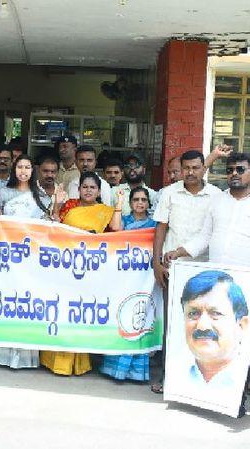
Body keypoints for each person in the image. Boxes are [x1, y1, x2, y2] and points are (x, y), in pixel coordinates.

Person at [166, 152, 250, 398]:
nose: (234, 174)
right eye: (230, 170)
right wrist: (180, 251)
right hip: (219, 278)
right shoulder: (218, 201)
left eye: (240, 169)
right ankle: (218, 381)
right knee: (220, 326)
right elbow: (205, 237)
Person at [150, 150, 221, 394]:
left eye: (195, 168)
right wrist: (156, 262)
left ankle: (196, 382)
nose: (191, 172)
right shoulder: (169, 193)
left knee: (201, 326)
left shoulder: (217, 196)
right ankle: (169, 377)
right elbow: (161, 228)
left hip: (203, 269)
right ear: (180, 170)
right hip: (173, 268)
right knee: (173, 326)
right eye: (186, 168)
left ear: (204, 168)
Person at [41, 172, 122, 376]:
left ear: (98, 191)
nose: (88, 190)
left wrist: (119, 204)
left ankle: (78, 363)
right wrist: (57, 203)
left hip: (90, 269)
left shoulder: (106, 210)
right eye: (84, 187)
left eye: (92, 187)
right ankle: (55, 361)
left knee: (80, 313)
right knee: (62, 309)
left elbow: (116, 229)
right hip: (64, 266)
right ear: (78, 190)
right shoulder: (70, 206)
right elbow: (54, 225)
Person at [0, 154, 53, 369]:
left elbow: (48, 225)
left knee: (26, 300)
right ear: (14, 170)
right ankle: (1, 354)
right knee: (7, 299)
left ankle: (25, 356)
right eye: (20, 167)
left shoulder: (41, 196)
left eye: (27, 167)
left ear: (32, 171)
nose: (23, 171)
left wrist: (58, 204)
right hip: (8, 256)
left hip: (31, 258)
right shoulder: (4, 193)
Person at [99, 186, 155, 381]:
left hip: (144, 278)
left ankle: (135, 372)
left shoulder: (154, 225)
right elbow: (115, 230)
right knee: (121, 318)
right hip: (124, 278)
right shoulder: (126, 221)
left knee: (138, 319)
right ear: (131, 203)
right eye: (136, 200)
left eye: (143, 200)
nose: (140, 203)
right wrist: (119, 204)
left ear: (149, 203)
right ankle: (114, 370)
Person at [177, 271, 250, 396]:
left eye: (215, 313)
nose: (202, 326)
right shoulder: (177, 378)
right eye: (193, 313)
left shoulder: (237, 380)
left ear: (241, 325)